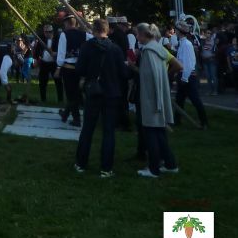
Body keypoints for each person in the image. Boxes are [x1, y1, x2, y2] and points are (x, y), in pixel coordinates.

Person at [74, 19, 129, 177]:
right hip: (111, 93)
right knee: (108, 131)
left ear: (93, 30)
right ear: (107, 30)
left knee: (88, 129)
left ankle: (81, 163)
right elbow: (124, 74)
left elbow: (79, 69)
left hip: (93, 92)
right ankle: (106, 168)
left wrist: (89, 75)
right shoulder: (115, 49)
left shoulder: (86, 47)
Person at [136, 22, 179, 177]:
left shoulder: (148, 52)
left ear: (143, 35)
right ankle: (170, 164)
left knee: (151, 132)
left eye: (137, 34)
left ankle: (154, 168)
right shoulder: (158, 48)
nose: (136, 37)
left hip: (151, 98)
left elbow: (149, 78)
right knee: (159, 132)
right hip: (158, 95)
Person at [56, 14, 89, 127]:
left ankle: (76, 119)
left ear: (67, 23)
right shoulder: (85, 34)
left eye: (64, 23)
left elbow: (61, 53)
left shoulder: (64, 34)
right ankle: (65, 114)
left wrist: (58, 67)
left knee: (71, 95)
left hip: (68, 68)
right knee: (75, 93)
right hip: (80, 68)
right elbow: (94, 38)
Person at [175, 22, 209, 128]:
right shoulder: (182, 43)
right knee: (179, 100)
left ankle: (204, 122)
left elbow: (189, 64)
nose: (175, 31)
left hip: (188, 76)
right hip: (184, 75)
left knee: (195, 100)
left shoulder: (186, 44)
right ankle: (177, 121)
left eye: (176, 30)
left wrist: (184, 78)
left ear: (179, 32)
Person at [34, 25, 63, 104]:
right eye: (46, 32)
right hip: (44, 63)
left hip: (54, 63)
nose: (47, 33)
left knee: (58, 82)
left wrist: (55, 53)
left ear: (52, 32)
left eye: (49, 32)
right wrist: (36, 59)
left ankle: (60, 100)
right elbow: (37, 51)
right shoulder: (41, 40)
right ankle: (43, 99)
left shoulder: (57, 40)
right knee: (42, 82)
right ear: (44, 32)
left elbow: (61, 51)